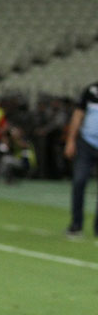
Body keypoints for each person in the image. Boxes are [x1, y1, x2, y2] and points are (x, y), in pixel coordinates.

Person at [64, 81, 98, 237]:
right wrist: (71, 140)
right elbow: (78, 115)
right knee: (79, 181)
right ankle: (76, 224)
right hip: (87, 143)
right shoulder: (91, 90)